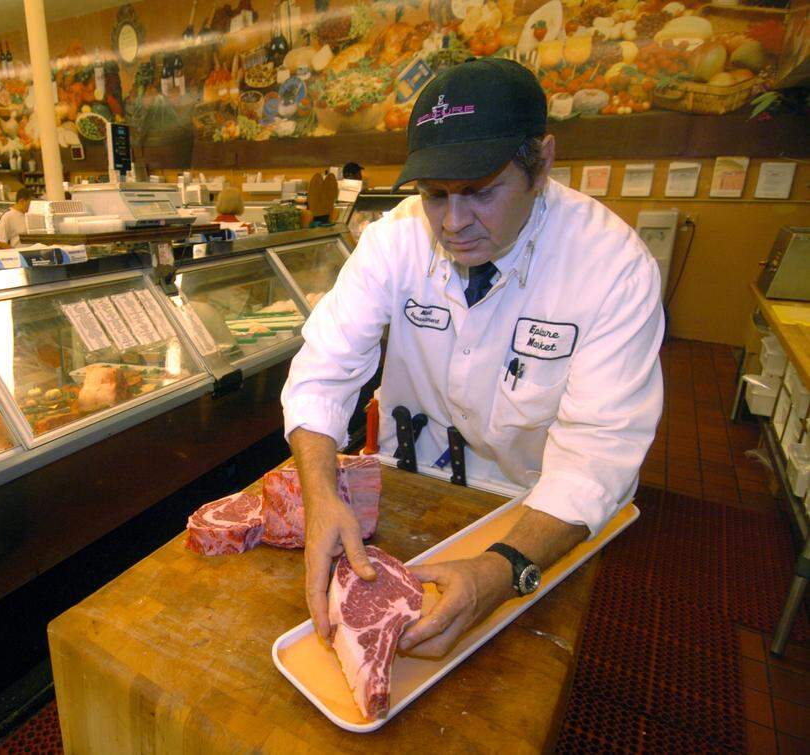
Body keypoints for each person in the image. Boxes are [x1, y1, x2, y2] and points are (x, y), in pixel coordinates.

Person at [281, 58, 664, 657]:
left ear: (540, 164)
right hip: (411, 486)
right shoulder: (394, 239)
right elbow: (323, 368)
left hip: (535, 511)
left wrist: (501, 569)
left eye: (481, 191)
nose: (454, 224)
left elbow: (600, 453)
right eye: (435, 195)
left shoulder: (612, 267)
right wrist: (321, 494)